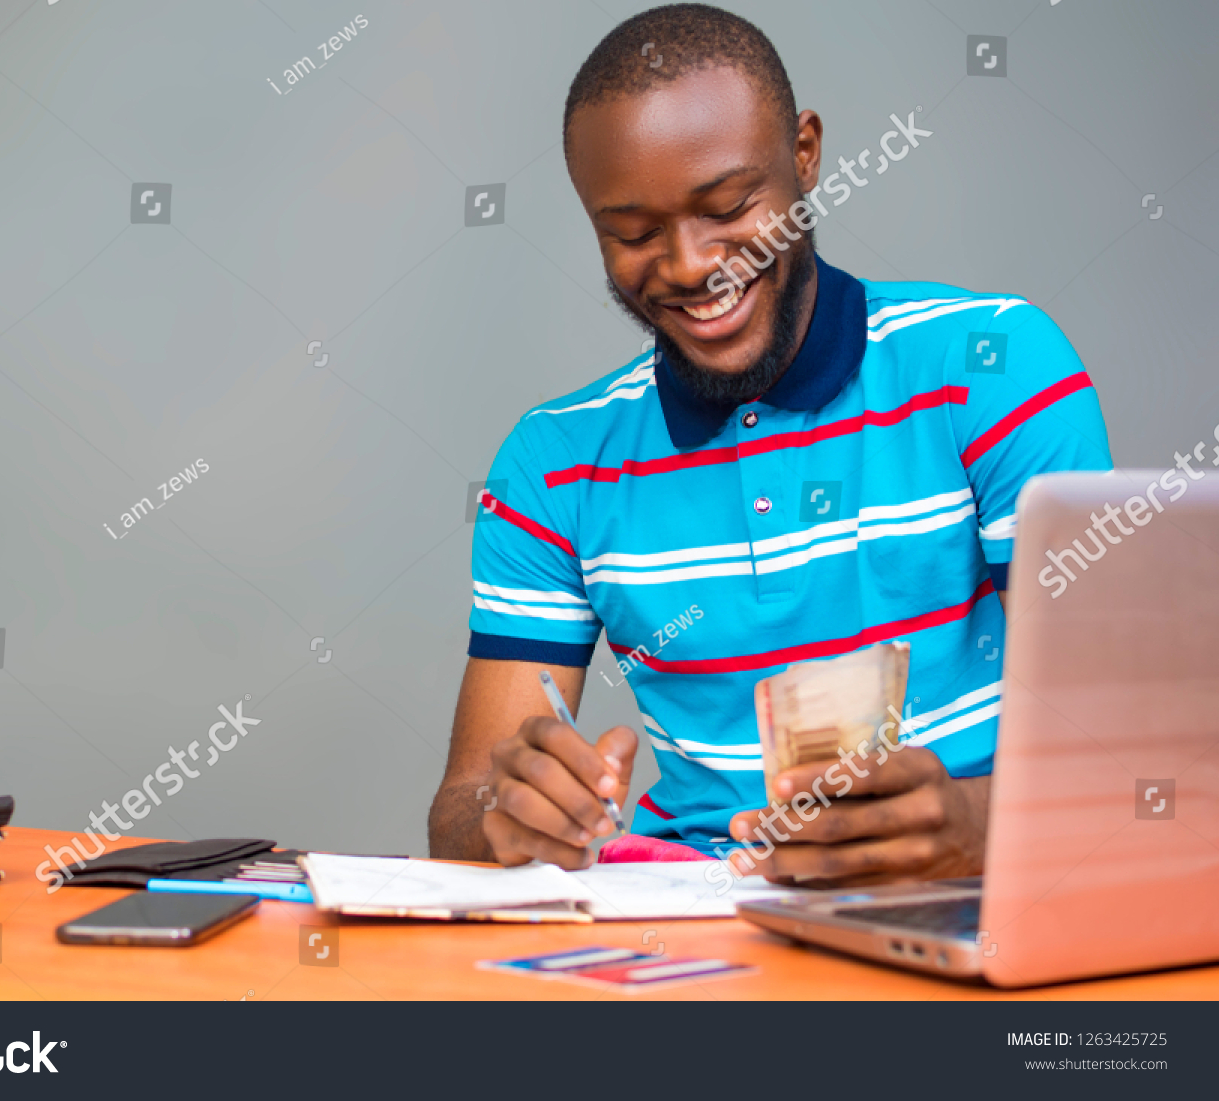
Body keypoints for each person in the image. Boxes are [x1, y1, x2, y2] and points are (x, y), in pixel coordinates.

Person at [427, 3, 1110, 886]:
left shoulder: (994, 369)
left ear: (806, 154)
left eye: (729, 206)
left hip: (966, 908)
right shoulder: (554, 464)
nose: (686, 264)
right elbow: (461, 810)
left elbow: (1131, 760)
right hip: (688, 935)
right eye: (632, 233)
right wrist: (510, 813)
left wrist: (978, 829)